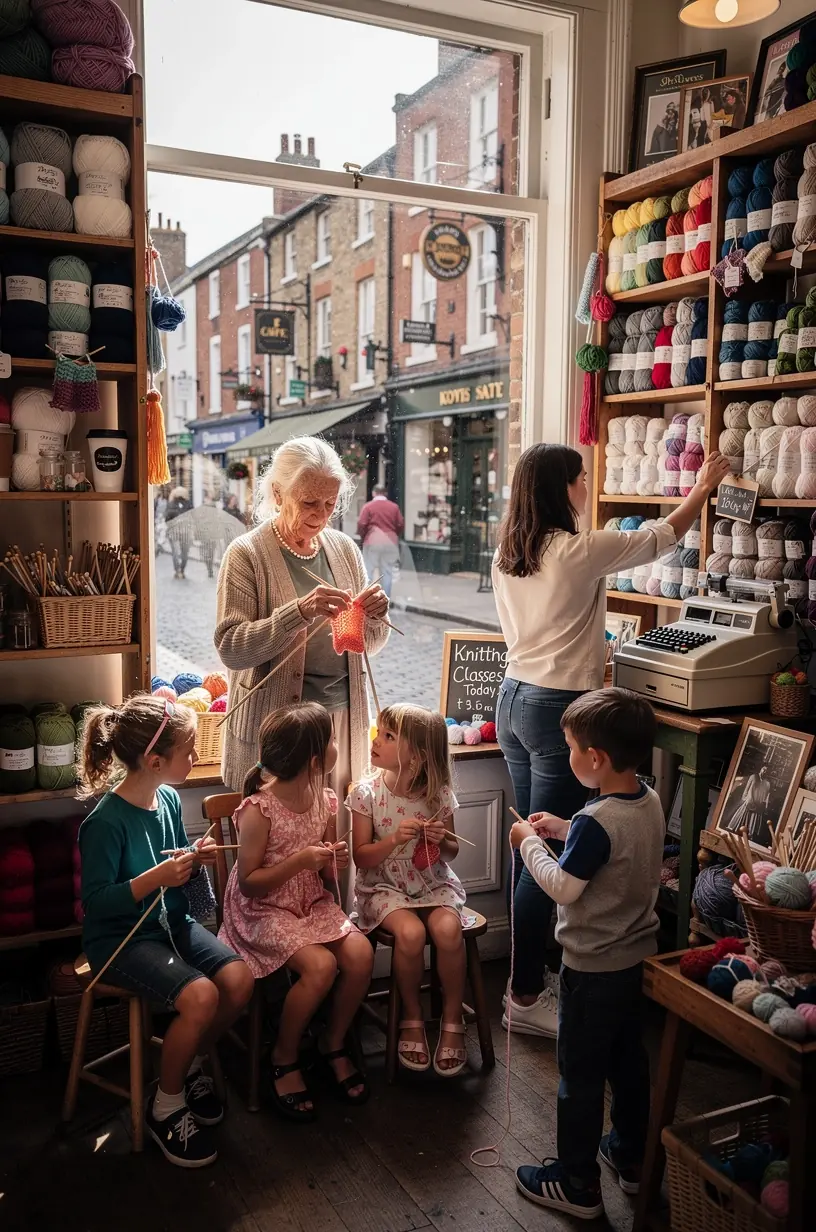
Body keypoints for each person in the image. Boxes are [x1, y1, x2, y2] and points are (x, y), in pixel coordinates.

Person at [491, 443, 730, 1037]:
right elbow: (660, 536)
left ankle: (530, 977)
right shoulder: (577, 550)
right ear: (562, 489)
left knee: (534, 832)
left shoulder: (509, 553)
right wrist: (701, 487)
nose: (586, 485)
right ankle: (524, 996)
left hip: (514, 698)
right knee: (542, 855)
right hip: (555, 710)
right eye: (580, 478)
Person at [77, 695, 254, 1169]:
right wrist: (157, 878)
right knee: (200, 997)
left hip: (170, 924)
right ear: (155, 761)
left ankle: (185, 1064)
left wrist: (193, 857)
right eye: (190, 751)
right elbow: (95, 904)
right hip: (120, 940)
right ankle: (166, 1107)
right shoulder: (104, 823)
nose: (195, 760)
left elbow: (171, 859)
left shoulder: (170, 798)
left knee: (238, 981)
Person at [510, 688, 664, 1221]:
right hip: (633, 963)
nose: (568, 754)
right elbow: (610, 852)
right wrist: (562, 828)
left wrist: (528, 841)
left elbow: (564, 886)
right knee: (628, 1063)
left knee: (578, 1077)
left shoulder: (598, 822)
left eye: (570, 746)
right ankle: (630, 1154)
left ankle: (577, 1183)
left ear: (594, 758)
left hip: (592, 970)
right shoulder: (645, 798)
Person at [215, 437, 390, 863]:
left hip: (341, 725)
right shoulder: (247, 554)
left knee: (335, 849)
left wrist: (375, 618)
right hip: (278, 732)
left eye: (330, 505)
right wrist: (298, 612)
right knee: (279, 857)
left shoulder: (344, 550)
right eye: (309, 501)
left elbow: (369, 645)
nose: (320, 515)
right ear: (277, 494)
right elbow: (231, 648)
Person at [218, 702, 373, 1120]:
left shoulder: (324, 798)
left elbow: (321, 870)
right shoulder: (259, 809)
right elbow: (249, 881)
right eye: (333, 741)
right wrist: (300, 862)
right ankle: (284, 1056)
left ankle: (332, 1041)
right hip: (262, 908)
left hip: (307, 901)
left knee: (360, 954)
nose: (338, 745)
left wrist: (328, 860)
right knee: (320, 966)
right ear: (314, 758)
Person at [349, 704, 467, 1076]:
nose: (376, 741)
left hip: (432, 882)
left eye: (388, 736)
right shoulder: (366, 794)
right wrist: (393, 841)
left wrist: (441, 837)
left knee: (448, 930)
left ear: (417, 755)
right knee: (412, 934)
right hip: (383, 887)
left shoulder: (438, 795)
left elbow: (451, 852)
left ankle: (452, 1019)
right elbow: (362, 858)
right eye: (378, 733)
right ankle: (412, 1017)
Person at [357, 484, 404, 599]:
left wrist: (364, 536)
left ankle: (366, 599)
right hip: (390, 542)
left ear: (374, 493)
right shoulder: (394, 507)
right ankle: (385, 599)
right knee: (387, 572)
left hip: (373, 541)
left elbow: (362, 524)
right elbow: (400, 524)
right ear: (385, 494)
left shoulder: (368, 507)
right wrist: (393, 535)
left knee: (368, 571)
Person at [724, 766, 771, 845]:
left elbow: (766, 795)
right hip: (749, 800)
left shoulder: (767, 783)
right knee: (742, 815)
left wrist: (764, 805)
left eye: (766, 770)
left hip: (758, 804)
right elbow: (747, 788)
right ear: (760, 769)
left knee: (753, 820)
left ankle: (749, 835)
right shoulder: (753, 777)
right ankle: (735, 830)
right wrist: (745, 798)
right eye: (763, 769)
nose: (764, 771)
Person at [165, 486, 193, 579]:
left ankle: (178, 571)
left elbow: (167, 519)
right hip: (186, 532)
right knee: (185, 552)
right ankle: (182, 570)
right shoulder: (189, 504)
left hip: (174, 532)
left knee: (175, 552)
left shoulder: (171, 503)